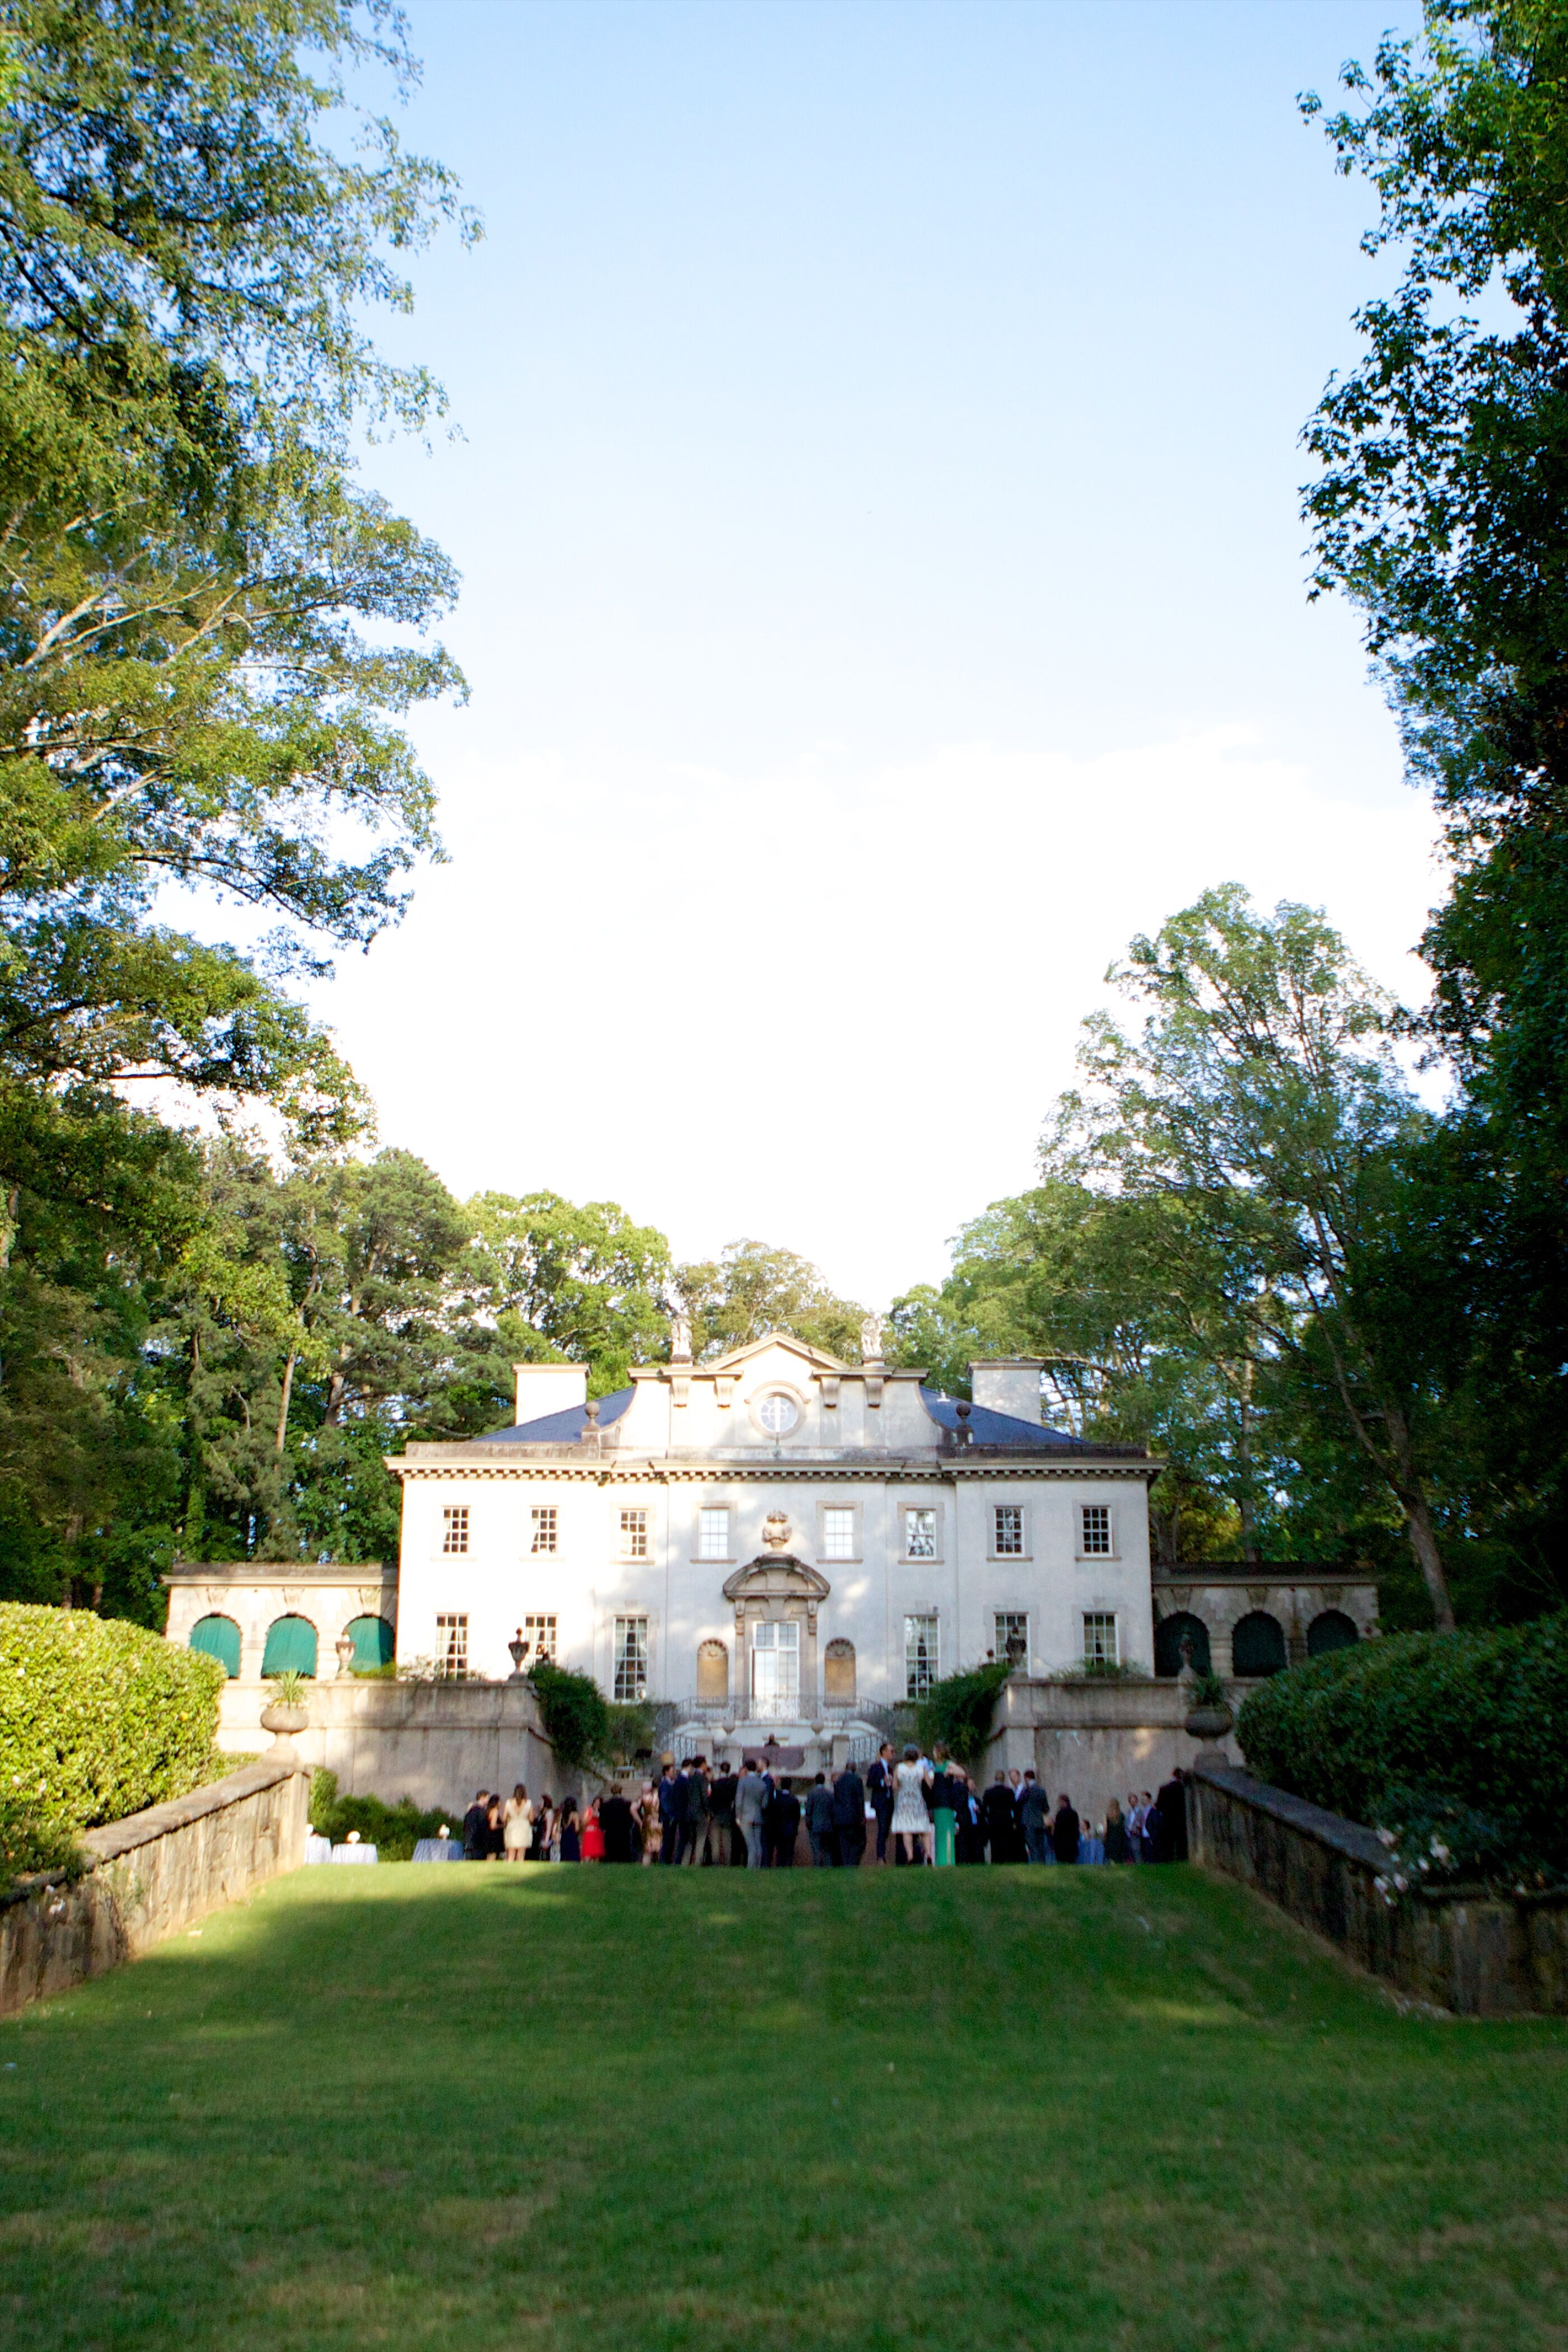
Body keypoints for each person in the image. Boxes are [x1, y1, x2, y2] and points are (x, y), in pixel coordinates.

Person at [891, 1744, 933, 1865]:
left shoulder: (899, 1768)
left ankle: (910, 1856)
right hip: (917, 1800)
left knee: (907, 1829)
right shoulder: (921, 1769)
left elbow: (894, 1786)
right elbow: (929, 1785)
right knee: (924, 1829)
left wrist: (901, 1787)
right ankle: (929, 1854)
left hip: (904, 1800)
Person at [832, 1761, 866, 1867]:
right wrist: (862, 1816)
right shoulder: (857, 1779)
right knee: (855, 1843)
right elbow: (860, 1799)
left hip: (840, 1817)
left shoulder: (839, 1781)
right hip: (853, 1817)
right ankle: (852, 1863)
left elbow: (836, 1798)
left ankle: (845, 1863)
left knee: (844, 1844)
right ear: (854, 1768)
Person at [928, 1745, 959, 1868]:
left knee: (947, 1831)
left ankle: (948, 1860)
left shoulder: (947, 1764)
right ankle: (941, 1860)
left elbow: (962, 1772)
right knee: (939, 1832)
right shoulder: (934, 1767)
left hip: (946, 1802)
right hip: (937, 1803)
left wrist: (950, 1771)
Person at [867, 1743, 896, 1864]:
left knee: (886, 1829)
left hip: (889, 1802)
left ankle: (883, 1854)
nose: (893, 1754)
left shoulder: (890, 1768)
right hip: (881, 1802)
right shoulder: (876, 1767)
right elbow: (870, 1783)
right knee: (882, 1828)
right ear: (884, 1752)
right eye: (891, 1751)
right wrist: (882, 1782)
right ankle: (880, 1857)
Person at [982, 1770, 1019, 1865]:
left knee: (995, 1845)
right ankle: (1006, 1861)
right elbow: (1014, 1808)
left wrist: (989, 1817)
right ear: (1004, 1780)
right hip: (1006, 1823)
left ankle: (996, 1862)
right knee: (1006, 1845)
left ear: (995, 1779)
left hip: (994, 1823)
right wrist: (1015, 1821)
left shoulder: (989, 1792)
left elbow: (984, 1809)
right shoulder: (1009, 1792)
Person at [735, 1758, 767, 1869]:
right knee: (758, 1844)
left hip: (745, 1816)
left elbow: (739, 1800)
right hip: (758, 1816)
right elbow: (765, 1804)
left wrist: (738, 1816)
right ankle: (757, 1867)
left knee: (751, 1845)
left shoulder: (743, 1781)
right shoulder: (762, 1783)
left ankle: (750, 1869)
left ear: (747, 1769)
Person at [766, 1774, 801, 1866]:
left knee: (780, 1852)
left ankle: (780, 1867)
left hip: (779, 1829)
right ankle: (787, 1866)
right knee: (789, 1852)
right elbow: (797, 1816)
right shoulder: (794, 1800)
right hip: (790, 1830)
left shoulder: (777, 1800)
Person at [679, 1757, 709, 1866]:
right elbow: (704, 1797)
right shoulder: (702, 1779)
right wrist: (708, 1812)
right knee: (700, 1841)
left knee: (689, 1842)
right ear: (702, 1764)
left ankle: (685, 1863)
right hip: (700, 1814)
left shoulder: (690, 1778)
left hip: (689, 1814)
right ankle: (697, 1863)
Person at [707, 1761, 738, 1867]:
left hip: (716, 1815)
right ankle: (728, 1862)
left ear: (720, 1770)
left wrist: (711, 1812)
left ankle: (716, 1863)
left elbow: (710, 1800)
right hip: (728, 1814)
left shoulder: (715, 1784)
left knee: (715, 1842)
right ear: (729, 1770)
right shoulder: (733, 1784)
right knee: (727, 1841)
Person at [1154, 1770, 1188, 1862]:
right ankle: (1182, 1857)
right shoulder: (1184, 1789)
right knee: (1181, 1841)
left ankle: (1168, 1858)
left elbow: (1159, 1806)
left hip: (1168, 1820)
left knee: (1168, 1841)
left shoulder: (1164, 1789)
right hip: (1181, 1820)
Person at [1018, 1770, 1051, 1864]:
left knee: (1033, 1847)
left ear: (1026, 1778)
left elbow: (1019, 1802)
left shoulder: (1027, 1791)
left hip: (1029, 1823)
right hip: (1040, 1823)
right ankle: (1042, 1865)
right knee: (1041, 1847)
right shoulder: (1042, 1791)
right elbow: (1046, 1808)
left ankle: (1036, 1865)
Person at [804, 1771, 836, 1866]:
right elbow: (832, 1810)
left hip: (815, 1826)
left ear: (815, 1781)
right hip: (828, 1826)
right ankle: (829, 1868)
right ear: (824, 1781)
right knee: (828, 1850)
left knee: (817, 1850)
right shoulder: (829, 1794)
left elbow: (809, 1810)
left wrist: (808, 1822)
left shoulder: (812, 1793)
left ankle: (818, 1868)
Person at [598, 1782, 634, 1863]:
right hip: (623, 1833)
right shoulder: (627, 1804)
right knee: (623, 1856)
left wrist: (604, 1828)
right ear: (621, 1791)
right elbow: (630, 1819)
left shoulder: (605, 1805)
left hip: (610, 1833)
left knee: (611, 1856)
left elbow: (602, 1822)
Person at [656, 1759, 682, 1865]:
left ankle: (667, 1860)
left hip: (670, 1816)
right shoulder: (665, 1784)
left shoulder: (669, 1784)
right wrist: (670, 1815)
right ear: (667, 1772)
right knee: (667, 1840)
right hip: (668, 1818)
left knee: (670, 1840)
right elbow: (664, 1801)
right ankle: (664, 1860)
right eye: (672, 1771)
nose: (674, 1773)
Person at [502, 1784, 533, 1863]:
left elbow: (504, 1818)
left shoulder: (509, 1803)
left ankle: (509, 1872)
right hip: (524, 1827)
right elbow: (532, 1819)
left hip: (512, 1827)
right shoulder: (528, 1803)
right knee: (521, 1855)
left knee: (511, 1855)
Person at [461, 1790, 490, 1861]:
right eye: (487, 1798)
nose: (488, 1800)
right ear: (483, 1798)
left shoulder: (471, 1810)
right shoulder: (481, 1811)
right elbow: (483, 1827)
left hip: (469, 1842)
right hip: (478, 1844)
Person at [1052, 1793, 1080, 1864]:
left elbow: (1057, 1830)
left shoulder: (1060, 1814)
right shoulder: (1074, 1813)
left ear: (1063, 1802)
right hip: (1072, 1844)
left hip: (1061, 1845)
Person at [1103, 1798, 1130, 1865]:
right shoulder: (1122, 1816)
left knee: (1111, 1858)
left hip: (1110, 1839)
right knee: (1120, 1859)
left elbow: (1105, 1830)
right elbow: (1126, 1827)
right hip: (1120, 1839)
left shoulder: (1107, 1816)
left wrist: (1104, 1838)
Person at [580, 1795, 605, 1863]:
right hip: (590, 1834)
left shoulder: (601, 1812)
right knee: (588, 1853)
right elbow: (584, 1823)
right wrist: (591, 1816)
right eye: (595, 1803)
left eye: (598, 1804)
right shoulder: (589, 1810)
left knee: (597, 1855)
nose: (597, 1805)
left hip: (598, 1835)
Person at [559, 1795, 582, 1863]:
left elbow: (558, 1828)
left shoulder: (562, 1815)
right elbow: (577, 1829)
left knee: (565, 1857)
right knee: (573, 1858)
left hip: (564, 1837)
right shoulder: (575, 1815)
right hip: (572, 1838)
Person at [485, 1794, 506, 1860]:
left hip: (489, 1837)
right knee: (492, 1856)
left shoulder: (488, 1811)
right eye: (500, 1802)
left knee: (489, 1856)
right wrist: (502, 1826)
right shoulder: (495, 1811)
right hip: (494, 1838)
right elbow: (493, 1826)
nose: (501, 1804)